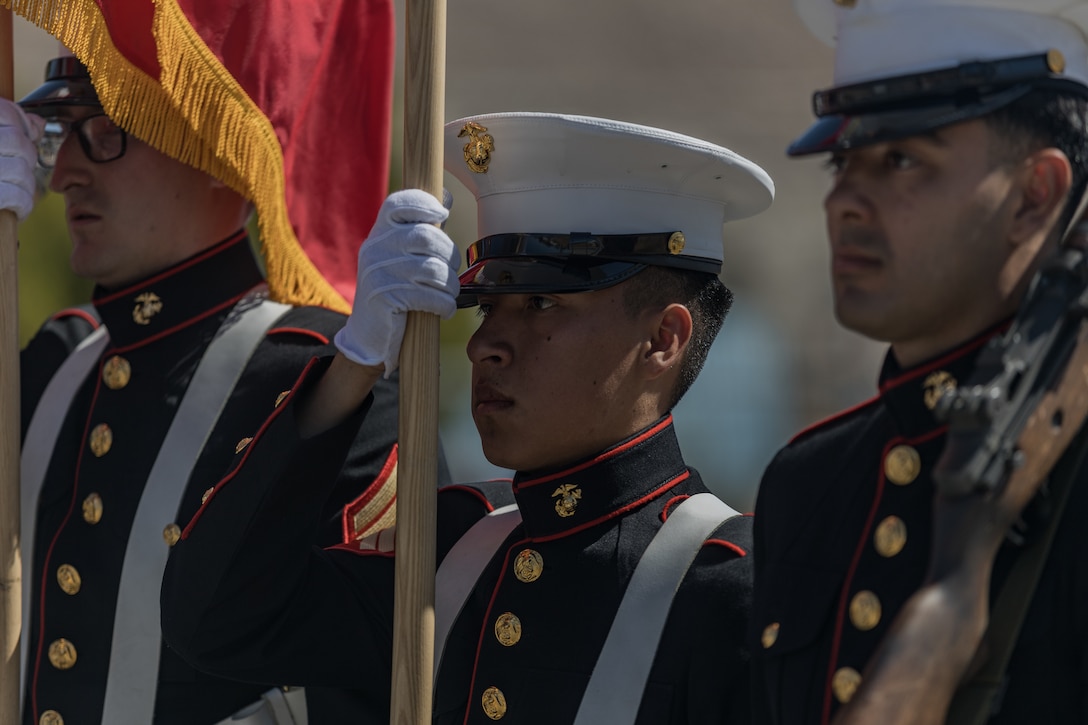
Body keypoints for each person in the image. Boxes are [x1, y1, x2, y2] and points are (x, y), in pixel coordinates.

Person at [159, 111, 775, 724]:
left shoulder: (733, 586)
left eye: (540, 303)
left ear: (663, 339)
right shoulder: (454, 549)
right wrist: (355, 365)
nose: (484, 346)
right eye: (486, 310)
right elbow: (215, 620)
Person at [11, 56, 447, 725]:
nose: (65, 172)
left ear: (221, 150)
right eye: (58, 132)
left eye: (104, 131)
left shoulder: (333, 381)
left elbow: (379, 668)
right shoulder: (57, 361)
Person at [751, 1, 1088, 723]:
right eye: (844, 160)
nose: (842, 200)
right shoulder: (806, 481)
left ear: (1036, 195)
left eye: (901, 159)